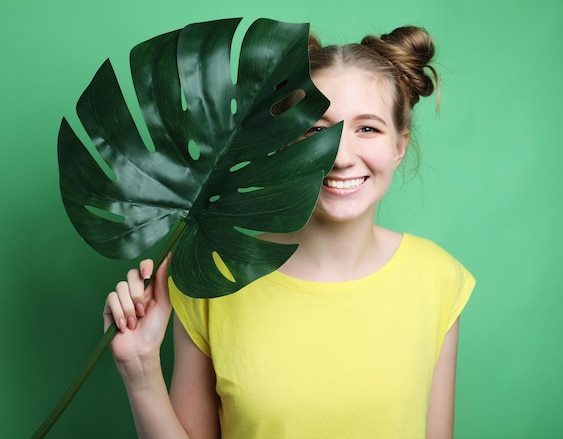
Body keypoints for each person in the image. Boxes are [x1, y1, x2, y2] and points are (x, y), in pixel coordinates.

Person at [104, 24, 475, 439]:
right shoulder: (210, 279)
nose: (340, 157)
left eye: (367, 128)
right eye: (316, 130)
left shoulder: (438, 279)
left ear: (399, 146)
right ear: (283, 143)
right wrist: (139, 370)